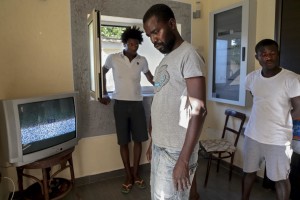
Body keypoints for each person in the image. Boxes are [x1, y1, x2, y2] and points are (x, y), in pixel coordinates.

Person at [143, 4, 207, 200]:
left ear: (171, 24)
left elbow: (198, 110)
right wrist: (154, 139)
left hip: (176, 150)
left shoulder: (189, 55)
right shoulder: (166, 59)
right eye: (149, 36)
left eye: (156, 32)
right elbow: (161, 101)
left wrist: (184, 160)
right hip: (161, 146)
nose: (153, 39)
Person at [242, 39, 300, 200]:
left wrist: (280, 119)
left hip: (279, 139)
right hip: (253, 135)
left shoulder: (292, 79)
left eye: (272, 53)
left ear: (278, 54)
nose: (268, 57)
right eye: (264, 54)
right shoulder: (251, 78)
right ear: (257, 57)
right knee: (248, 173)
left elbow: (298, 109)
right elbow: (257, 98)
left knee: (281, 179)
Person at [99, 26, 154, 194]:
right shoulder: (113, 58)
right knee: (123, 141)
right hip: (120, 105)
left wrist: (162, 86)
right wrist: (102, 92)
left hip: (137, 105)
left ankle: (136, 174)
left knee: (138, 140)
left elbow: (150, 78)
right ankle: (127, 175)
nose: (134, 47)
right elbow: (102, 71)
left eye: (136, 44)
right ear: (124, 43)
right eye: (131, 44)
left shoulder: (142, 60)